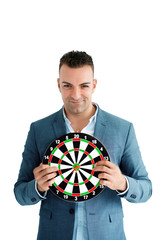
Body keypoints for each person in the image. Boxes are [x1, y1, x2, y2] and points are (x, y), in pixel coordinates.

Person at [14, 51, 152, 240]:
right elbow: (20, 193)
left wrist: (122, 183)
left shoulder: (122, 129)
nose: (76, 95)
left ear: (94, 85)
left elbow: (146, 189)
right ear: (58, 85)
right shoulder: (39, 129)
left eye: (84, 86)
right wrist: (37, 187)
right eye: (67, 86)